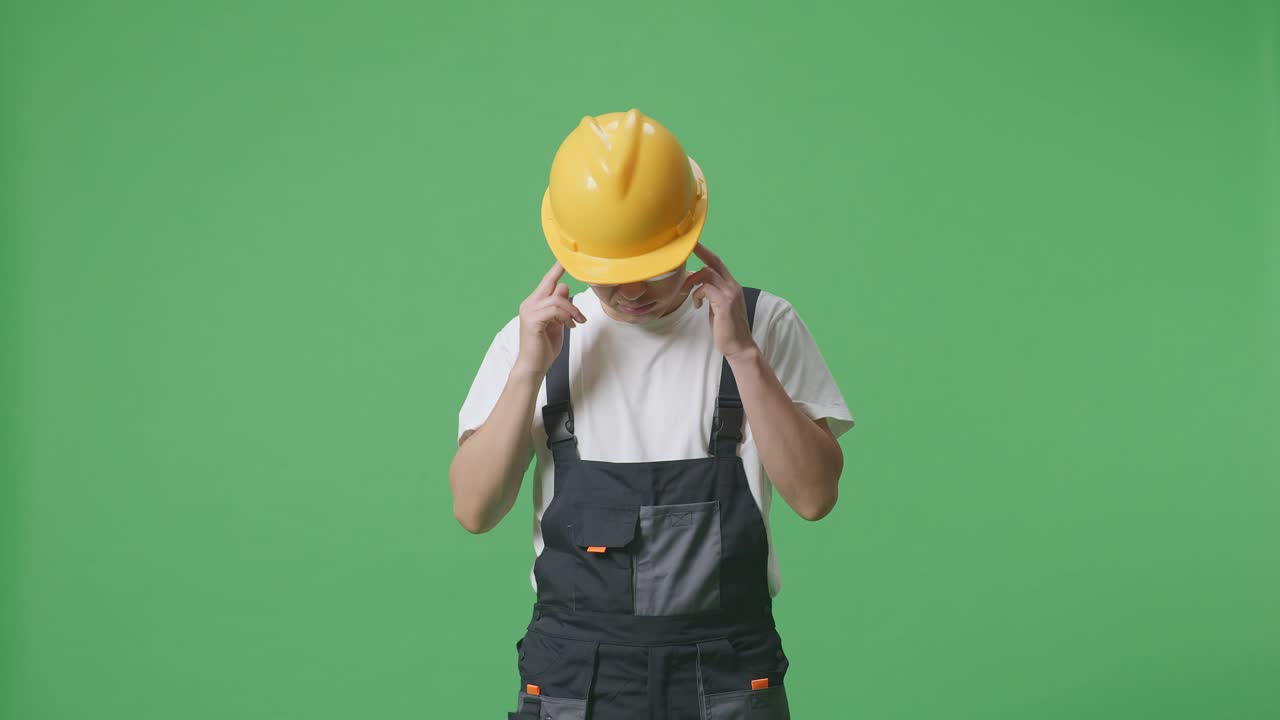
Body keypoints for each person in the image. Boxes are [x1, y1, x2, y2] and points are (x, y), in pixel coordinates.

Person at [451, 109, 855, 719]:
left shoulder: (763, 325)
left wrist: (743, 355)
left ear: (690, 234)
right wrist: (528, 371)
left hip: (727, 674)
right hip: (576, 677)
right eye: (610, 274)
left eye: (655, 267)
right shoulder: (533, 341)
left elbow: (815, 497)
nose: (633, 292)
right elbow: (474, 511)